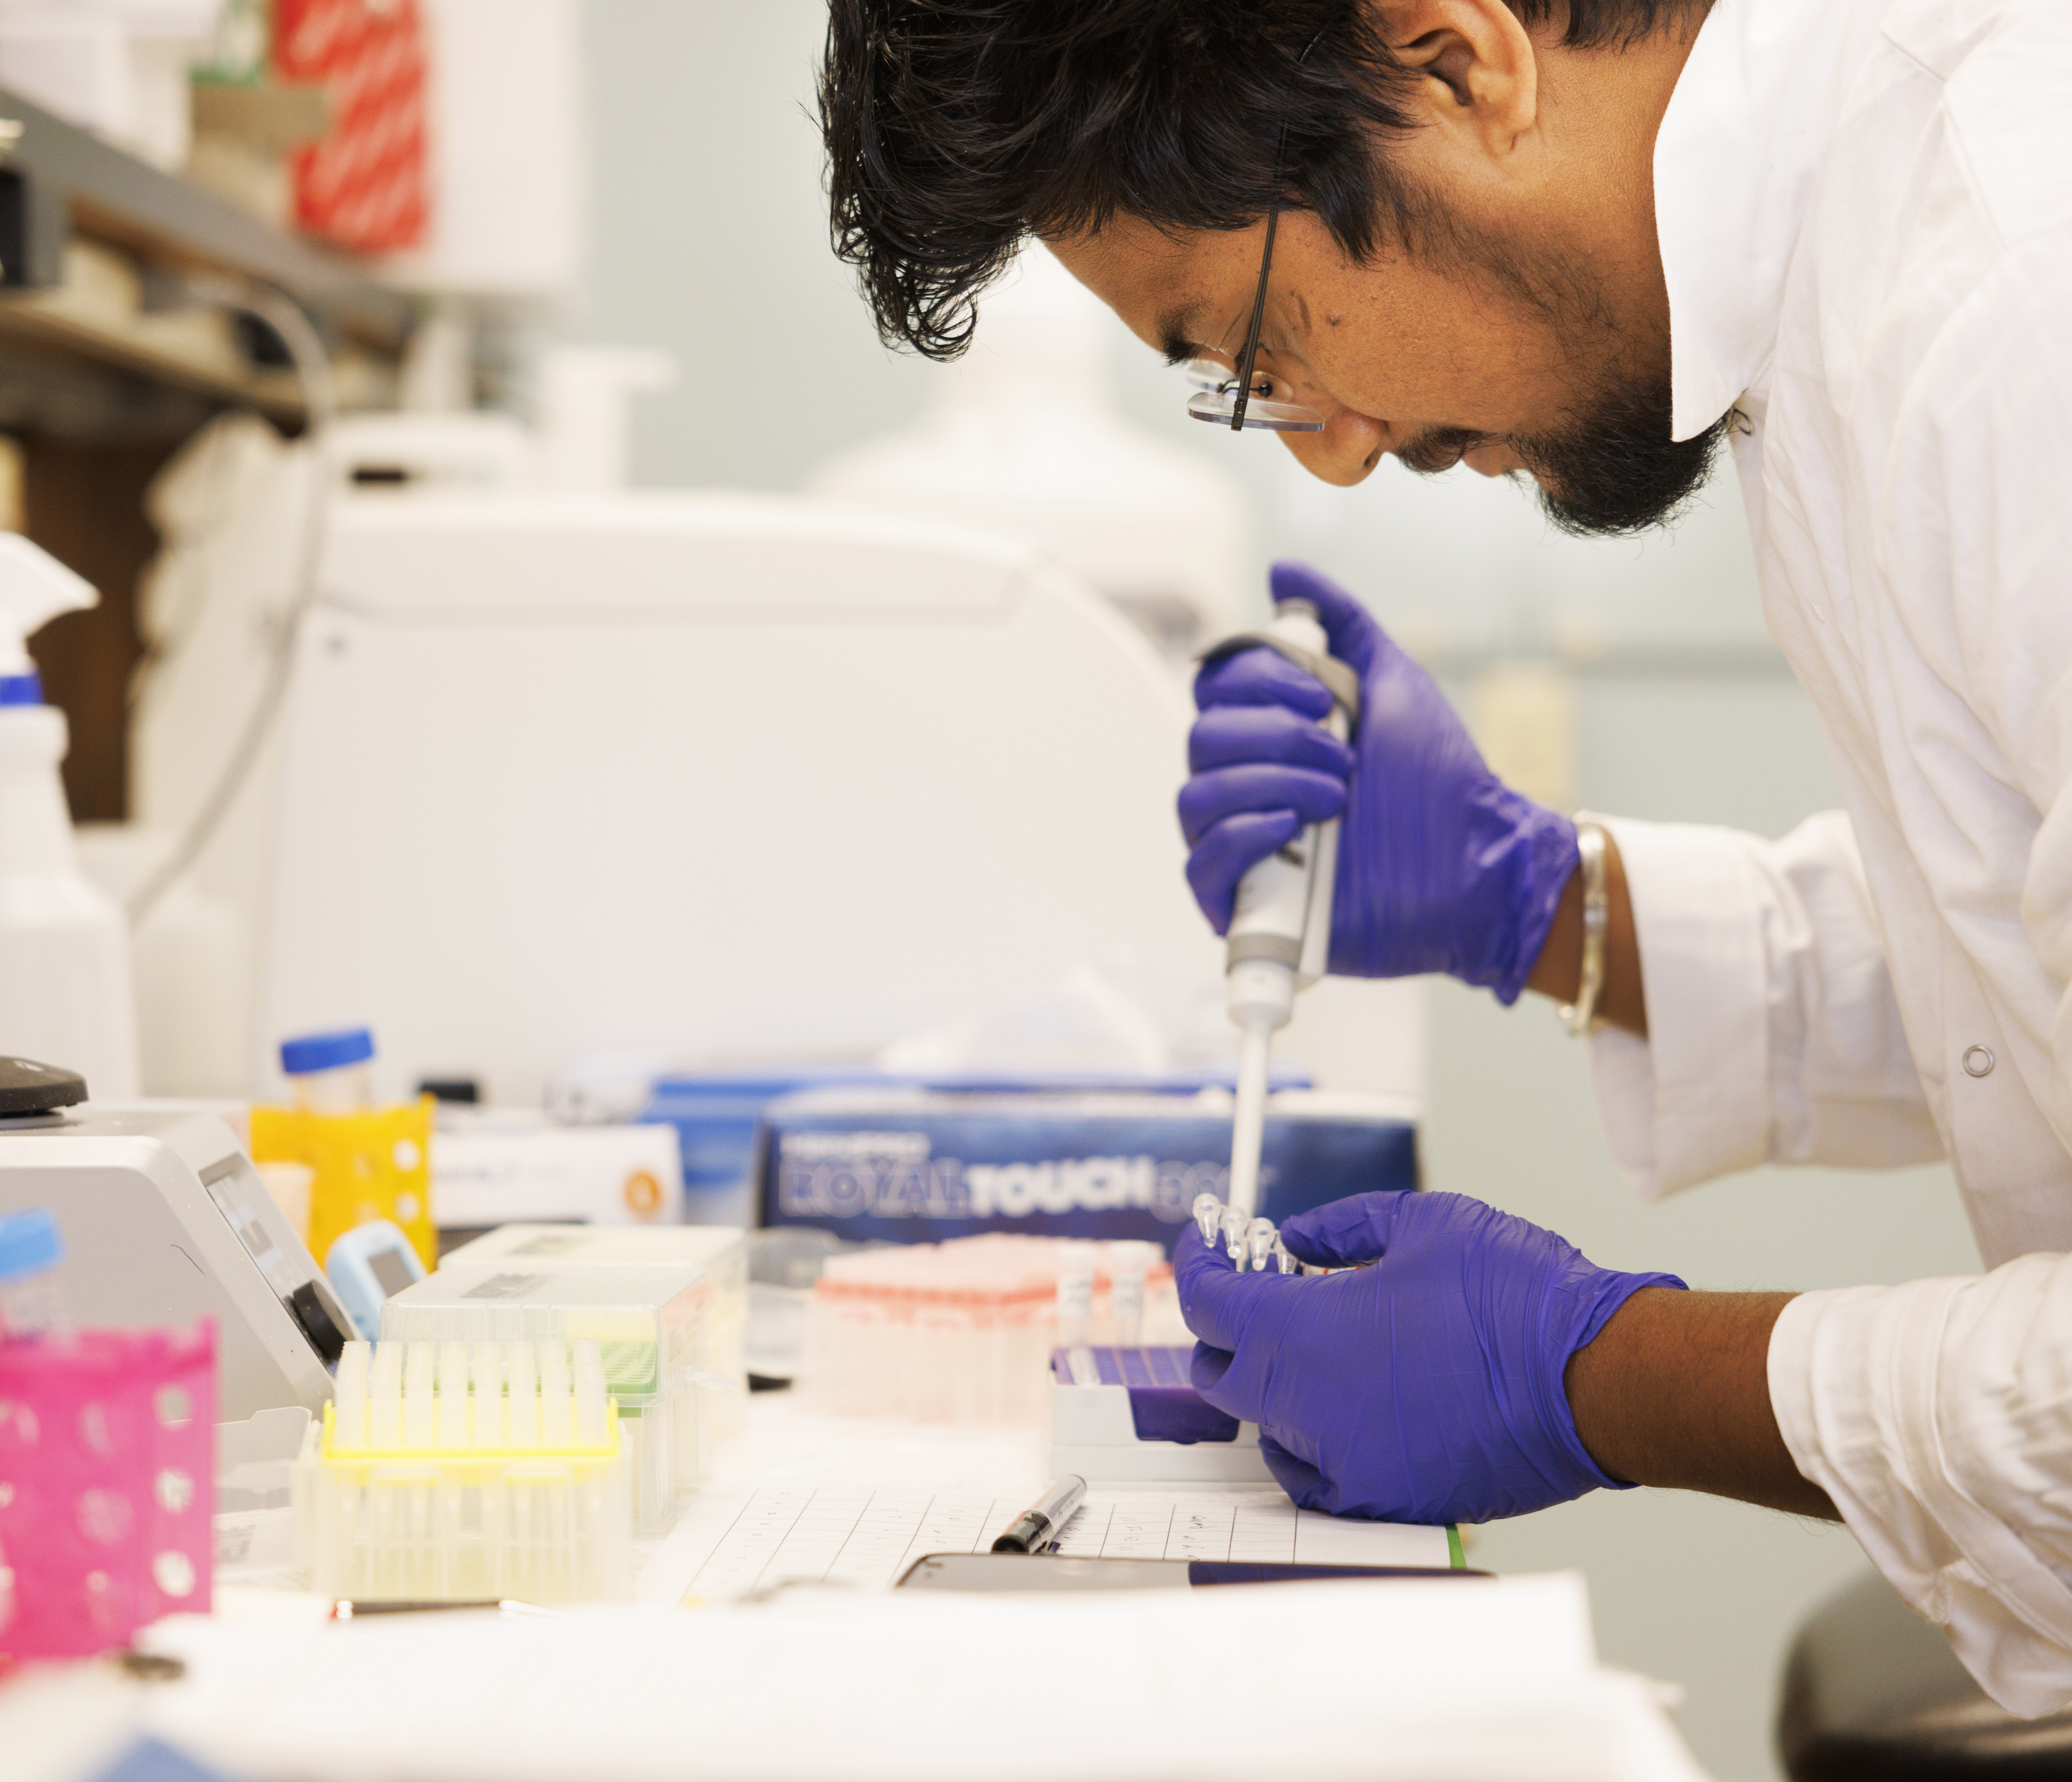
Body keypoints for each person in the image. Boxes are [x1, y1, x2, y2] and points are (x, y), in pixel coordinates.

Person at [821, 0, 2072, 1714]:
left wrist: (1597, 1376)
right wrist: (1544, 900)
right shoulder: (1852, 276)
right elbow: (2017, 958)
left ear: (1455, 60)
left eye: (1255, 348)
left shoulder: (2020, 298)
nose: (1330, 453)